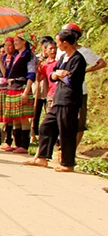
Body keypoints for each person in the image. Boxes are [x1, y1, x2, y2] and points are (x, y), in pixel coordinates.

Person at [25, 29, 87, 171]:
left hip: (69, 99)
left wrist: (59, 75)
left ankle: (68, 163)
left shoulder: (77, 59)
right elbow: (53, 75)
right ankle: (42, 157)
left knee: (66, 130)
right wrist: (58, 74)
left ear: (65, 43)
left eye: (58, 42)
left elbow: (72, 80)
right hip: (58, 97)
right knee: (46, 126)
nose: (57, 46)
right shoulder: (63, 58)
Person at [55, 23, 106, 147]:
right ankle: (63, 147)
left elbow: (102, 63)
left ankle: (73, 149)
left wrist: (85, 70)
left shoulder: (83, 52)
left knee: (78, 120)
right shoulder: (60, 51)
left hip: (78, 90)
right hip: (61, 90)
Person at [4, 31, 36, 154]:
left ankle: (24, 145)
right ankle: (17, 144)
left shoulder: (29, 55)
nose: (15, 43)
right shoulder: (17, 55)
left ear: (24, 42)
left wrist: (26, 91)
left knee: (23, 118)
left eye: (17, 40)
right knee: (15, 117)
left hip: (22, 88)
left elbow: (31, 74)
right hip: (13, 88)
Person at [32, 37, 56, 142]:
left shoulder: (57, 61)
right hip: (38, 89)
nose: (53, 51)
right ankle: (34, 133)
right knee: (35, 113)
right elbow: (38, 77)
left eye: (54, 48)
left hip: (49, 90)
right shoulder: (38, 58)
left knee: (50, 114)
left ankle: (51, 137)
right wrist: (38, 67)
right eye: (50, 48)